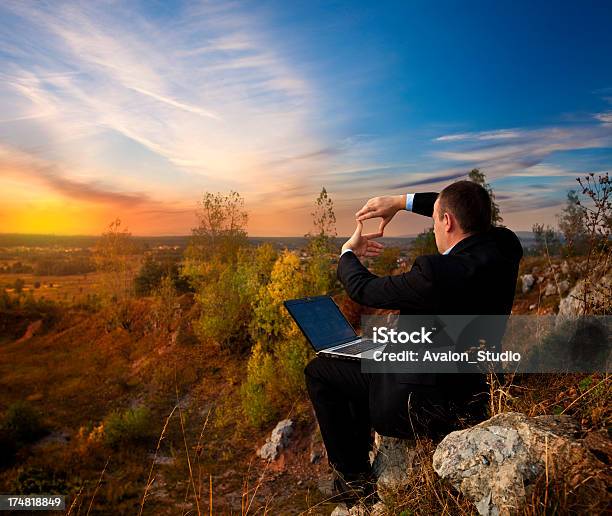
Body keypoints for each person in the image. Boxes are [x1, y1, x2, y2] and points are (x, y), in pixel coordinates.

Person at [304, 180, 523, 505]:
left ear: (446, 222)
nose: (434, 226)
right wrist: (399, 202)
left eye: (436, 219)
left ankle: (352, 481)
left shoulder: (435, 273)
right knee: (371, 356)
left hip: (421, 405)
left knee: (320, 371)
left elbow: (363, 289)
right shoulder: (505, 248)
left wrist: (347, 254)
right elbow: (466, 208)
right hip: (477, 391)